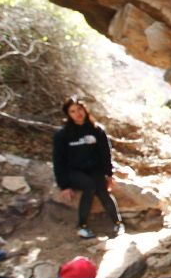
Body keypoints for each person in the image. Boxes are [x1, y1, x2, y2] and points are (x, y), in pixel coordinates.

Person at [52, 97, 124, 239]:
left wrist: (109, 174)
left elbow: (105, 154)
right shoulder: (62, 135)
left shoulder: (97, 131)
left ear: (85, 109)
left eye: (79, 109)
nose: (77, 113)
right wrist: (64, 185)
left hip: (94, 169)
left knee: (102, 190)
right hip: (73, 171)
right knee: (89, 186)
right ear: (68, 115)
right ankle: (82, 227)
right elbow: (58, 160)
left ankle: (118, 223)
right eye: (72, 111)